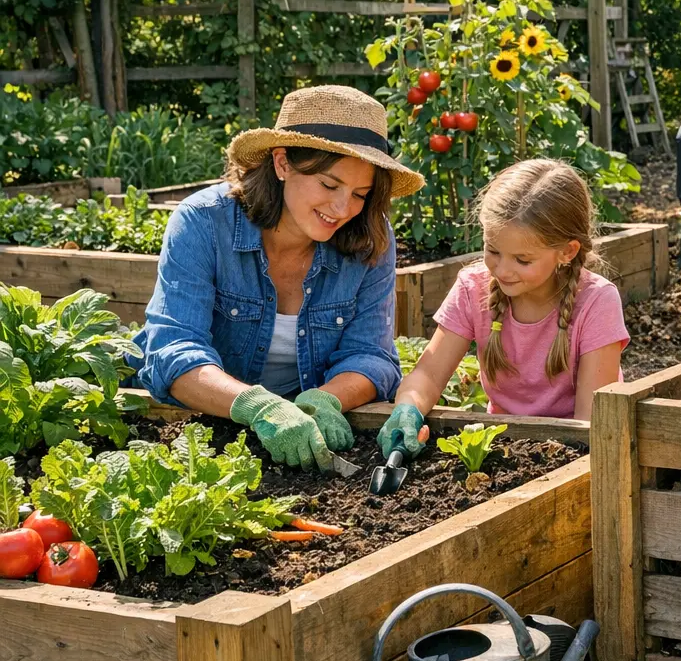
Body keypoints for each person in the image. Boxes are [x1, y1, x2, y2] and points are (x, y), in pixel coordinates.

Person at [132, 85, 424, 470]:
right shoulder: (203, 221)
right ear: (283, 163)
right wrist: (258, 406)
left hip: (300, 436)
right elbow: (173, 350)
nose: (342, 208)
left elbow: (370, 354)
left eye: (360, 193)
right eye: (329, 184)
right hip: (194, 434)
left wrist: (327, 399)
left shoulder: (371, 235)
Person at [376, 158, 629, 459]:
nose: (503, 270)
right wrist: (408, 407)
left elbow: (590, 424)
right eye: (492, 251)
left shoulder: (597, 302)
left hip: (574, 452)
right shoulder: (473, 288)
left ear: (567, 251)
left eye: (523, 260)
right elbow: (429, 375)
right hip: (502, 446)